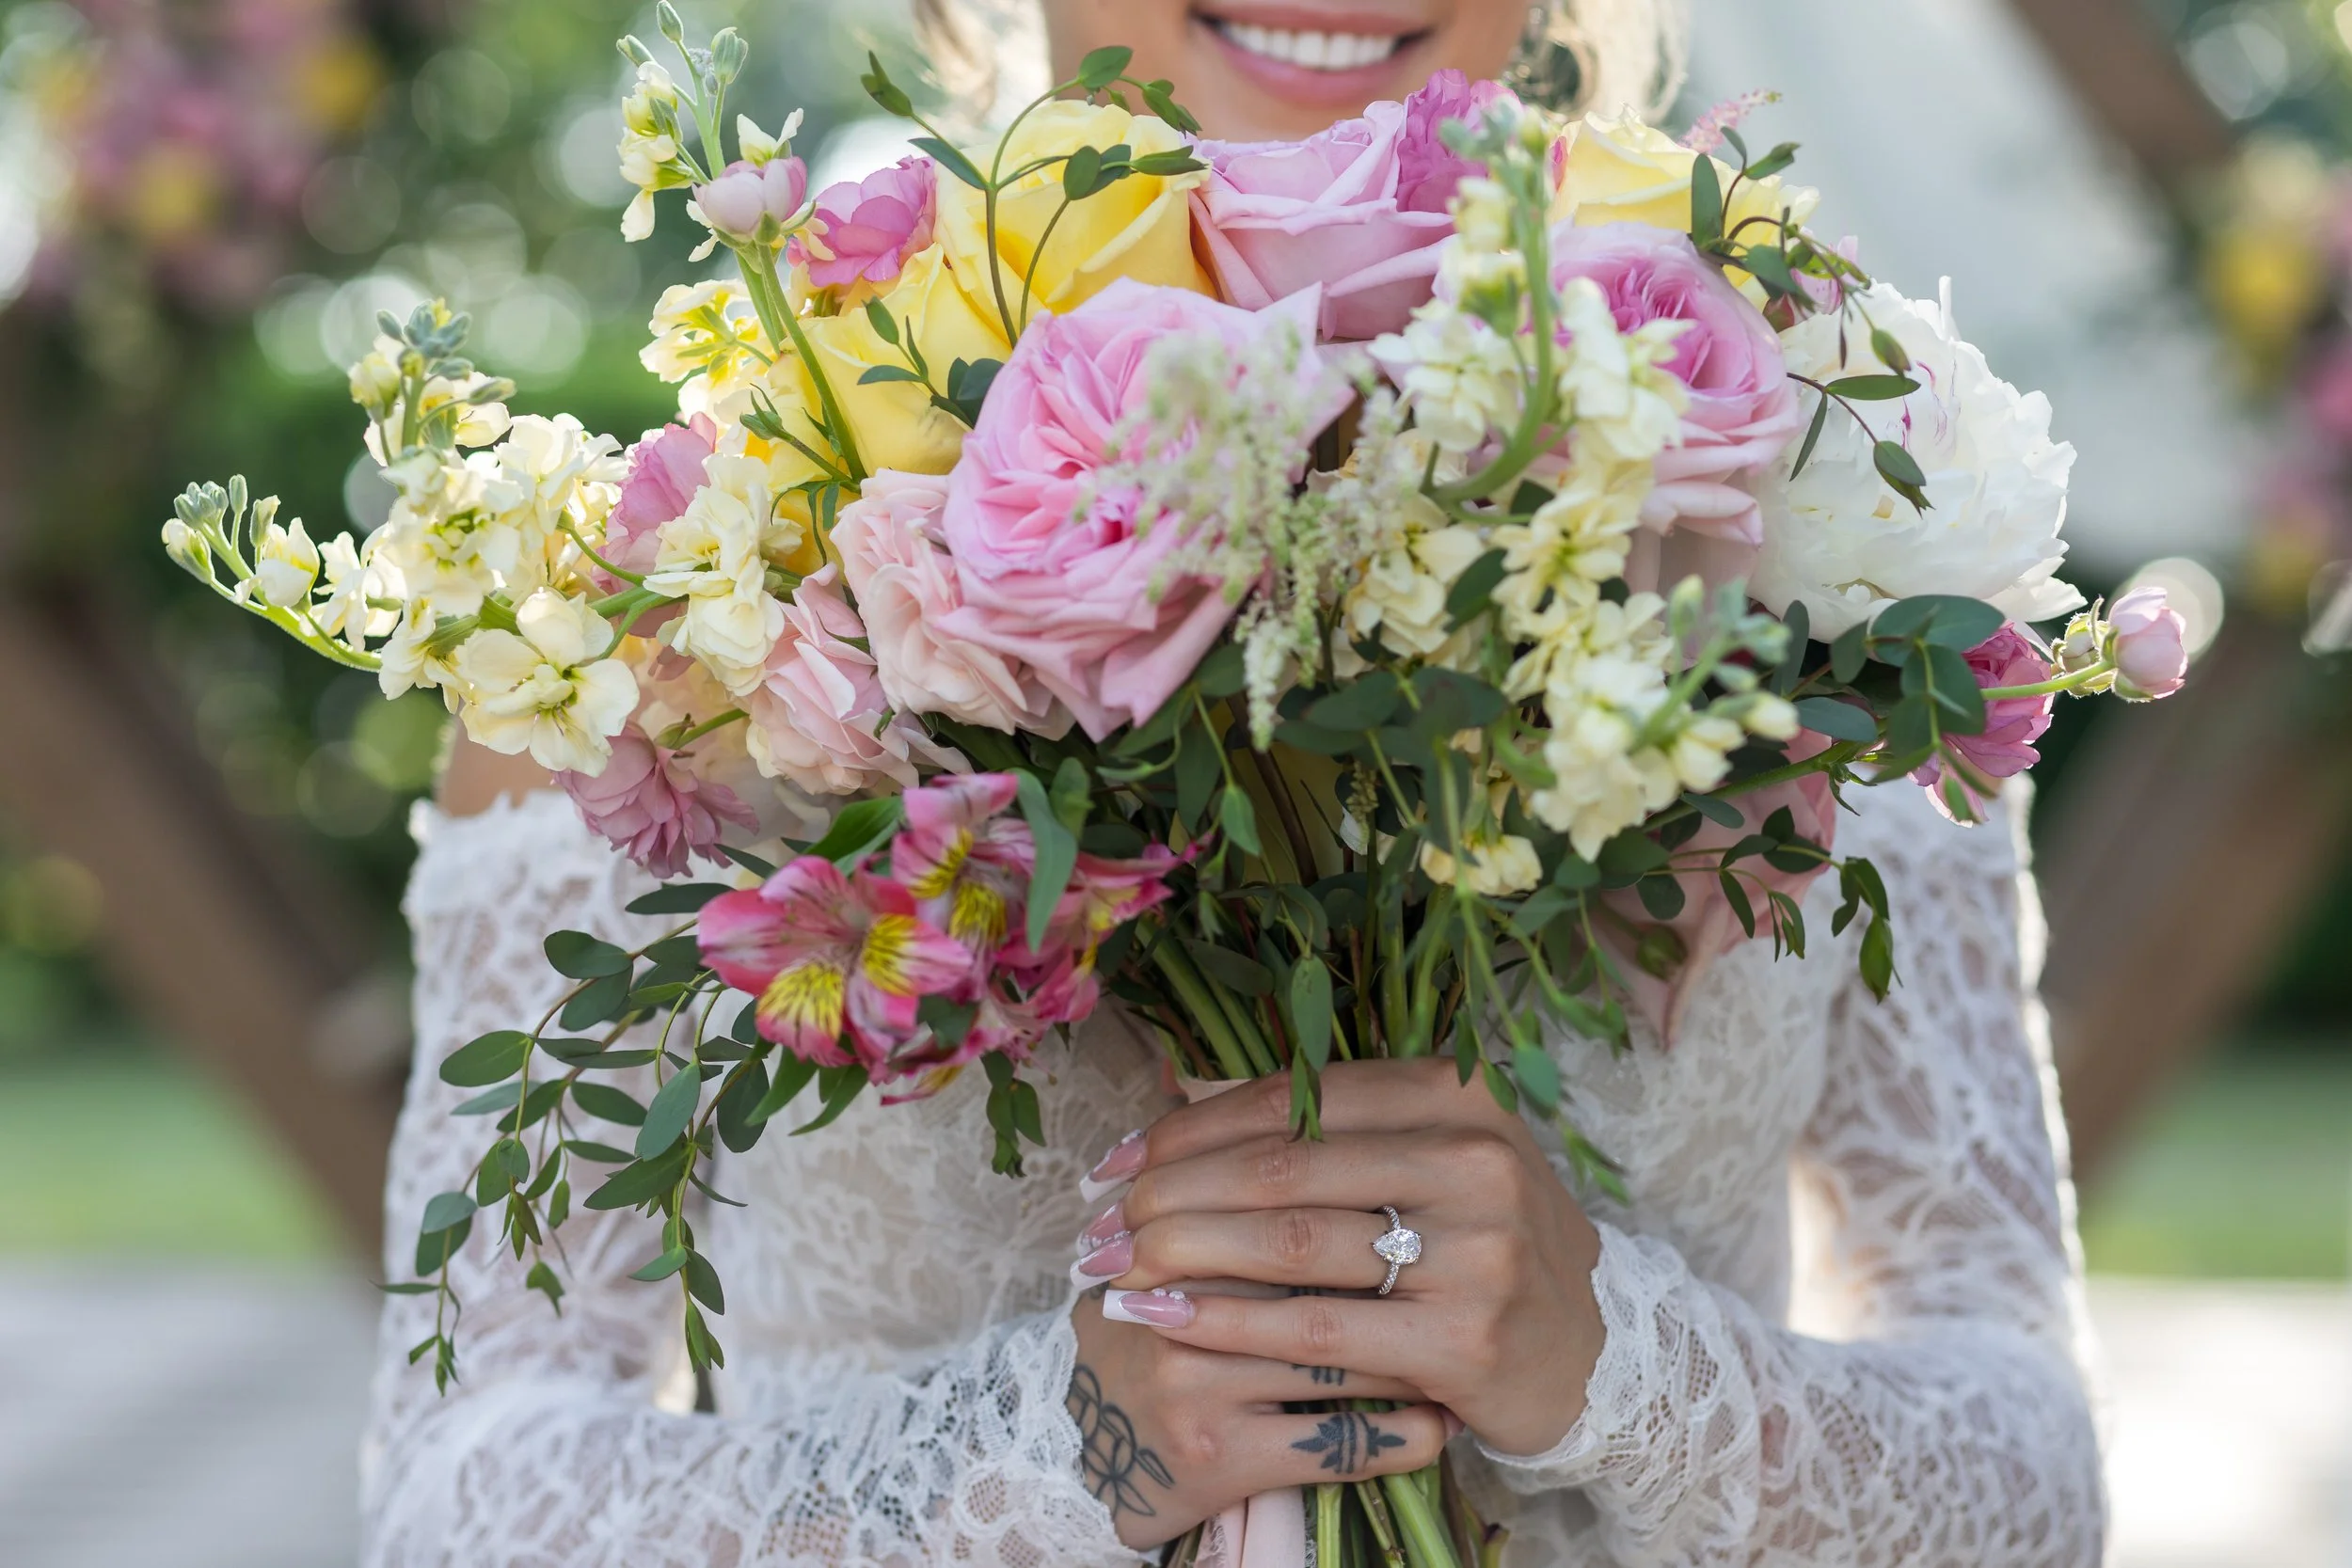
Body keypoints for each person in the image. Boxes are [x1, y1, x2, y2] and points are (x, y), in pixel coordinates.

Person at [362, 2, 2106, 1562]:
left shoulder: (1817, 525)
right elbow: (457, 1495)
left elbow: (2035, 1461)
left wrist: (1625, 1368)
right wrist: (1058, 1456)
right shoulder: (680, 621)